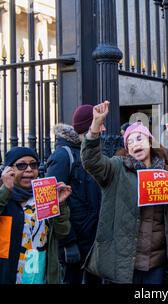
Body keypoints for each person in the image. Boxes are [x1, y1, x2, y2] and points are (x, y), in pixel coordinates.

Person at [80, 101, 168, 284]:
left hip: (156, 264)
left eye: (139, 138)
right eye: (129, 142)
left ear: (149, 141)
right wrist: (95, 126)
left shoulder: (166, 175)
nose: (134, 144)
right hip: (124, 263)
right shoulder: (117, 168)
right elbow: (91, 161)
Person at [0, 147, 71, 284]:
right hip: (4, 274)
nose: (29, 169)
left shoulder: (44, 195)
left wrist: (60, 205)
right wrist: (5, 190)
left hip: (37, 275)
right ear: (9, 170)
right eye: (22, 165)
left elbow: (62, 232)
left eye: (33, 165)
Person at [45, 104, 102, 284]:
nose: (104, 128)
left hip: (93, 237)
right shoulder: (63, 155)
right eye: (100, 123)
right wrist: (68, 241)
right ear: (88, 126)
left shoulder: (91, 153)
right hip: (74, 240)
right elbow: (49, 200)